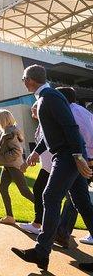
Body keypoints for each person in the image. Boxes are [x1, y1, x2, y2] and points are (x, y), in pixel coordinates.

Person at [11, 64, 93, 272]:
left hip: (66, 156)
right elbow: (51, 134)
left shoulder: (50, 97)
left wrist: (77, 155)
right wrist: (35, 153)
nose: (23, 83)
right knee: (82, 203)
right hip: (67, 155)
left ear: (29, 80)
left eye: (23, 80)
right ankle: (41, 253)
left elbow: (69, 127)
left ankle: (41, 252)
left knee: (50, 196)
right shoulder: (45, 98)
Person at [55, 87, 93, 247]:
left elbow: (85, 135)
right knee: (77, 197)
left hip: (84, 159)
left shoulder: (72, 113)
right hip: (85, 158)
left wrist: (88, 158)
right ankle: (62, 232)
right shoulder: (82, 111)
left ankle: (62, 232)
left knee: (75, 198)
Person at [0, 109, 34, 225]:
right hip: (7, 166)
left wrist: (3, 158)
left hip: (13, 166)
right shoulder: (5, 131)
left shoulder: (10, 132)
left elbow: (17, 151)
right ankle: (10, 217)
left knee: (24, 191)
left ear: (2, 119)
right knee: (2, 188)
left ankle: (48, 215)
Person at [19, 102, 52, 235]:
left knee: (41, 190)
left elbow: (44, 143)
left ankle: (40, 224)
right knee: (42, 191)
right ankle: (47, 224)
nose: (32, 115)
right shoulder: (42, 124)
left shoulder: (47, 124)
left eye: (34, 112)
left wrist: (30, 160)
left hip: (52, 165)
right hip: (47, 164)